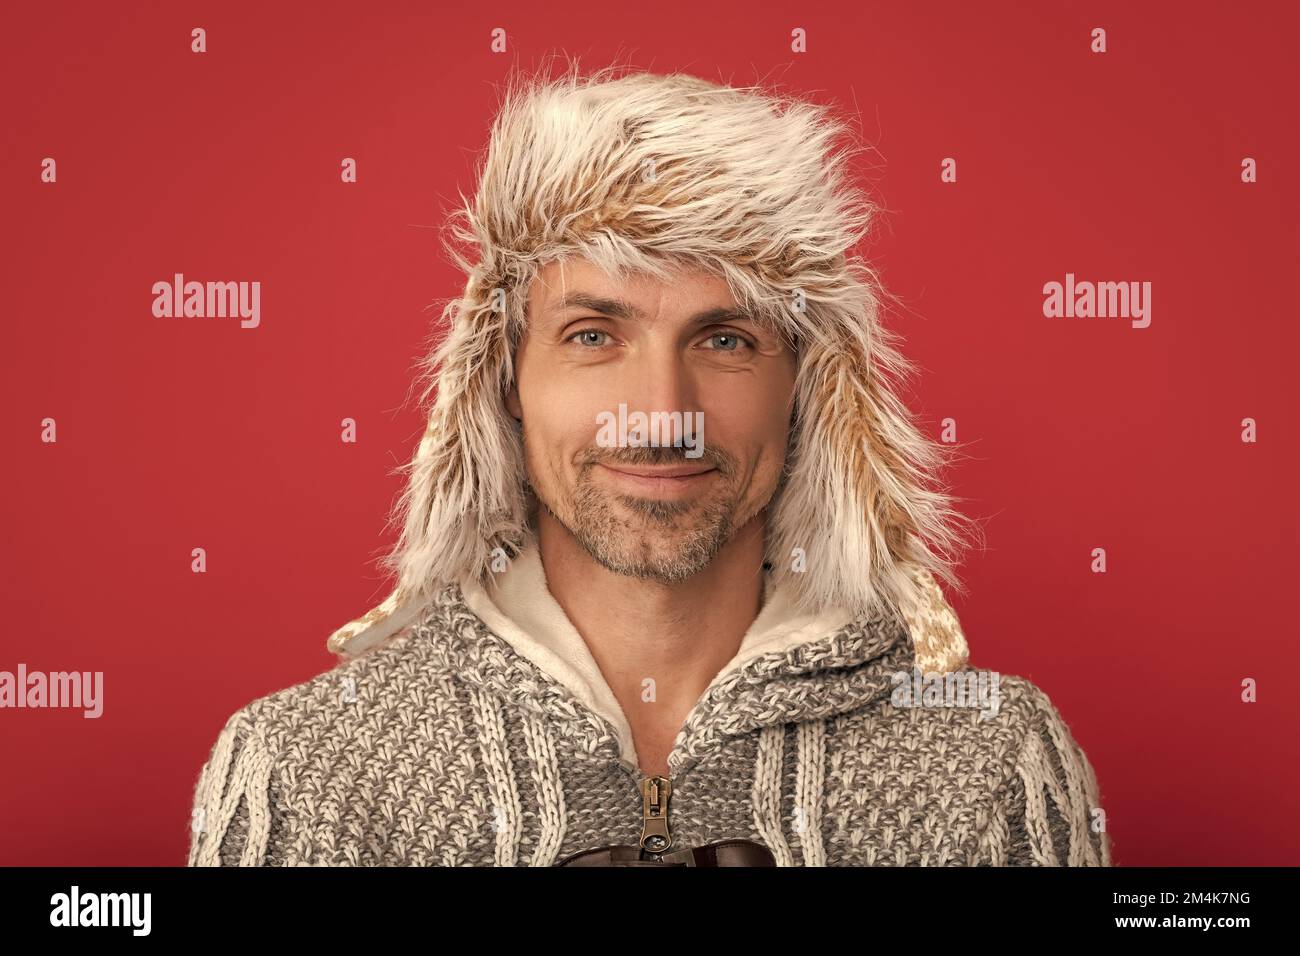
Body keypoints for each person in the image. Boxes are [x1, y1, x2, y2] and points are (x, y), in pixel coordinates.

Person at [186, 61, 1110, 867]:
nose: (663, 416)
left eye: (726, 340)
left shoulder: (990, 756)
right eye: (594, 335)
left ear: (810, 386)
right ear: (503, 377)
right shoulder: (307, 766)